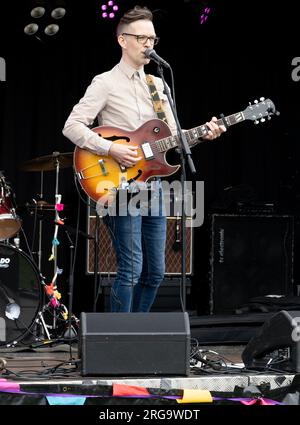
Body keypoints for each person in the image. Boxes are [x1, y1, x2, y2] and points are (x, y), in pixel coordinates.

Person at [63, 5, 225, 313]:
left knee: (156, 273)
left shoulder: (158, 85)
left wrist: (204, 133)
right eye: (141, 38)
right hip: (119, 184)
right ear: (123, 40)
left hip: (153, 185)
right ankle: (117, 340)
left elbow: (171, 140)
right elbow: (72, 126)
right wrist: (111, 149)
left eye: (152, 38)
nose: (148, 44)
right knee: (131, 269)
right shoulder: (105, 82)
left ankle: (136, 335)